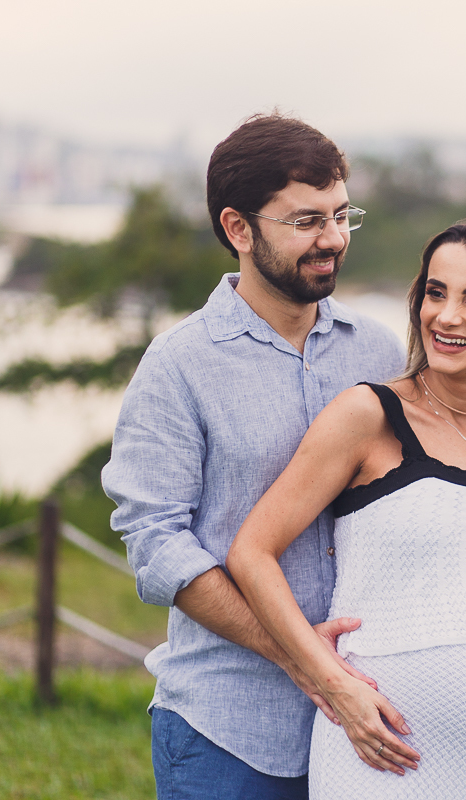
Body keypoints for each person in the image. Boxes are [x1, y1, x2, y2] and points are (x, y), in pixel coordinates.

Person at [102, 113, 406, 800]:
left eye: (341, 216)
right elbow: (156, 544)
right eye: (307, 221)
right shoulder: (178, 365)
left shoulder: (381, 353)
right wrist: (301, 657)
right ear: (239, 229)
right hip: (225, 732)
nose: (334, 238)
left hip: (370, 726)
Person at [228, 215, 466, 798]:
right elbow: (251, 552)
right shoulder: (368, 415)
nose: (447, 316)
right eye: (436, 293)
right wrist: (328, 678)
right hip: (382, 758)